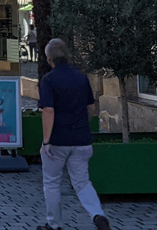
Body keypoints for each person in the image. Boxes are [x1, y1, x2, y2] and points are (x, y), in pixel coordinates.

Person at [37, 39, 111, 230]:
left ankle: (53, 224)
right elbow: (91, 106)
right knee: (82, 182)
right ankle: (97, 214)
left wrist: (46, 141)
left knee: (52, 183)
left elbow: (48, 111)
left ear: (49, 57)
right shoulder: (81, 78)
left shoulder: (49, 80)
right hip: (81, 139)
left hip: (58, 140)